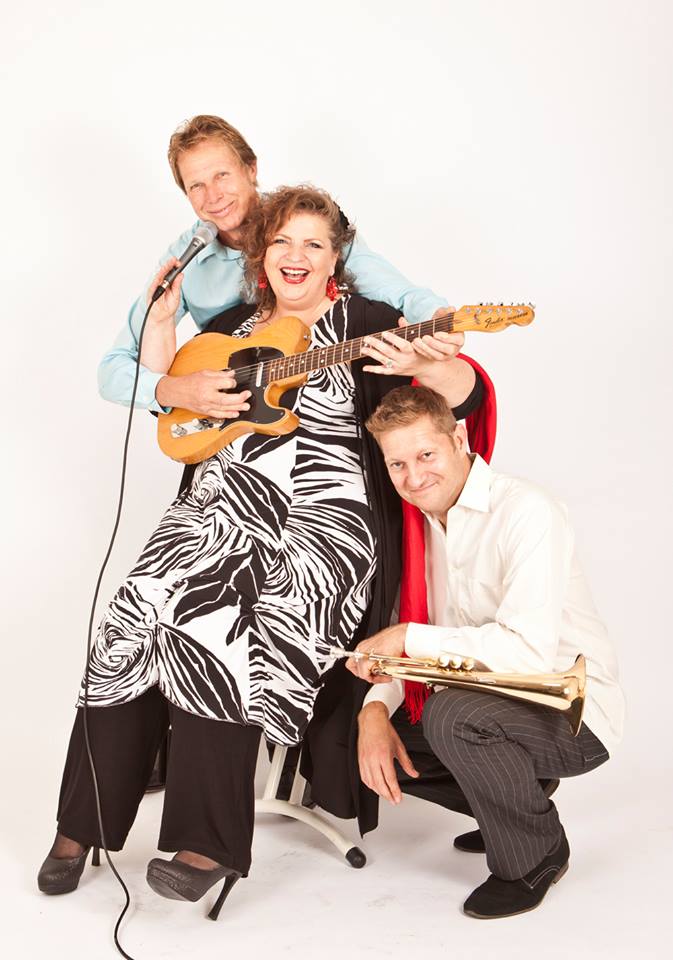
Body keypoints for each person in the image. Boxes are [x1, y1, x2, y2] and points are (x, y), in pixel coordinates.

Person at [37, 187, 485, 912]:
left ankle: (207, 843)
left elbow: (463, 397)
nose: (295, 256)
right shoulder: (226, 332)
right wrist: (174, 367)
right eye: (281, 242)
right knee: (129, 614)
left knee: (214, 623)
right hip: (215, 509)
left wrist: (431, 362)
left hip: (322, 520)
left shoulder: (369, 324)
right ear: (260, 256)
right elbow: (180, 418)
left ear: (337, 258)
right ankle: (81, 826)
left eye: (313, 244)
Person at [346, 385, 624, 919]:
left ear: (458, 438)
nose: (413, 476)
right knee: (354, 731)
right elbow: (417, 651)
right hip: (499, 705)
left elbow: (528, 652)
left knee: (452, 714)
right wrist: (374, 709)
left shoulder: (526, 510)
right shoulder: (420, 532)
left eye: (425, 454)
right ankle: (515, 804)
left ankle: (534, 855)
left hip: (577, 716)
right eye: (397, 463)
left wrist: (408, 637)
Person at [98, 114, 455, 415]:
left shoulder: (308, 225)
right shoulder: (185, 258)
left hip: (330, 398)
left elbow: (401, 294)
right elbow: (114, 368)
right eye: (196, 186)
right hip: (239, 416)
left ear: (251, 169)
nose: (214, 196)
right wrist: (174, 391)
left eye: (222, 175)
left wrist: (438, 318)